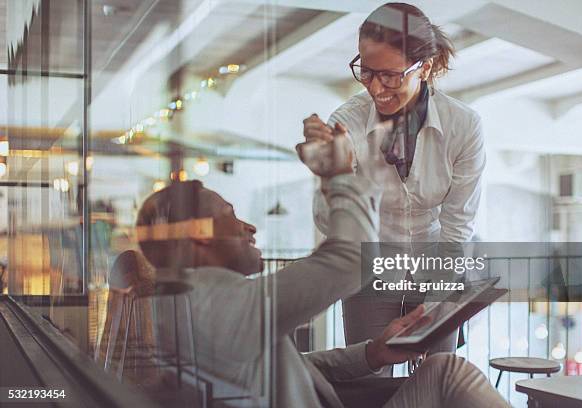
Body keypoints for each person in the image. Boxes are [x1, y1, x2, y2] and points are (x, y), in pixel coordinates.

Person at [134, 135, 507, 407]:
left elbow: (298, 367)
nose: (249, 228)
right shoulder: (224, 304)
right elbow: (350, 260)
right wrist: (341, 174)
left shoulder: (194, 301)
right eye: (231, 216)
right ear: (200, 237)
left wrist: (373, 354)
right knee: (447, 372)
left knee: (441, 369)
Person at [303, 3, 485, 360]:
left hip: (438, 263)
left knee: (437, 374)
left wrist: (433, 309)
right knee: (368, 376)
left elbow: (457, 226)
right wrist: (332, 175)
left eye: (390, 75)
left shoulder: (463, 126)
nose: (375, 87)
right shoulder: (347, 122)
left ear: (426, 67)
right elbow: (331, 224)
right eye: (366, 72)